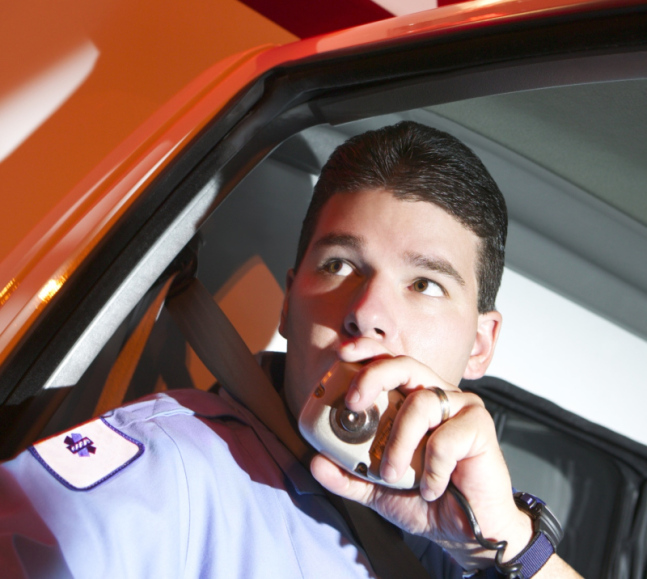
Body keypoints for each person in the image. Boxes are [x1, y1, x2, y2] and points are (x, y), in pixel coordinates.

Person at [0, 122, 581, 578]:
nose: (368, 312)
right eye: (340, 265)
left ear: (480, 347)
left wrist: (503, 546)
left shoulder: (462, 539)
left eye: (425, 284)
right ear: (287, 305)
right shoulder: (173, 470)